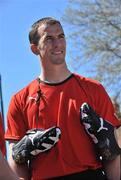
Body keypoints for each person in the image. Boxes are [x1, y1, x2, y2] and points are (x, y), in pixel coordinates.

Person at [5, 17, 121, 180]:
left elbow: (113, 153)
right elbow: (16, 161)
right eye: (49, 39)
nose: (58, 44)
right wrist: (22, 151)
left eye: (61, 36)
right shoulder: (20, 100)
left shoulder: (94, 89)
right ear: (34, 48)